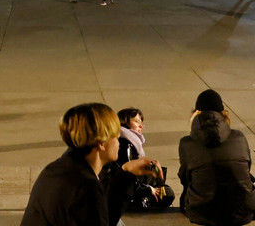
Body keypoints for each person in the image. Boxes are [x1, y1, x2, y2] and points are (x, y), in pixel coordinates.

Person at [20, 101, 161, 226]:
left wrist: (126, 172)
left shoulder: (57, 169)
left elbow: (103, 215)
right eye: (116, 137)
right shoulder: (85, 187)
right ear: (101, 143)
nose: (119, 141)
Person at [178, 88, 255, 225]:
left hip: (202, 213)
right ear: (223, 114)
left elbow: (185, 178)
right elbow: (246, 169)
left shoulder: (187, 143)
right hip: (242, 211)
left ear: (196, 114)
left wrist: (192, 128)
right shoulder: (239, 136)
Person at [115, 107, 175, 209]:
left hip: (135, 188)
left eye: (141, 122)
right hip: (130, 194)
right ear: (125, 122)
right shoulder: (126, 143)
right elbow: (127, 176)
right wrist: (148, 189)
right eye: (136, 121)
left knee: (166, 191)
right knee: (167, 194)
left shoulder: (131, 142)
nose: (141, 126)